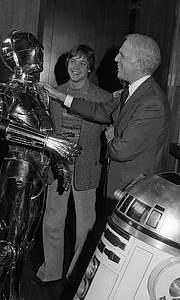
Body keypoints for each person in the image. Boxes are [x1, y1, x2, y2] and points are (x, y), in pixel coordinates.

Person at [40, 33, 171, 218]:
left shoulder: (152, 102)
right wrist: (60, 96)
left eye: (122, 55)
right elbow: (98, 110)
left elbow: (121, 150)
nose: (116, 59)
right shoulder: (131, 91)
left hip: (134, 189)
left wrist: (110, 137)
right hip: (120, 185)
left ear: (139, 64)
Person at [0, 30, 80, 300]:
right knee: (7, 244)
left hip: (38, 172)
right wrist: (47, 142)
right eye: (30, 49)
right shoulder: (6, 90)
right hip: (18, 169)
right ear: (12, 56)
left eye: (39, 49)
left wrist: (61, 163)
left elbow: (50, 131)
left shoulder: (40, 93)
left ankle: (12, 293)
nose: (37, 55)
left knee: (24, 242)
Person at [34, 44, 112, 286]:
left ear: (90, 68)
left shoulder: (103, 98)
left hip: (86, 170)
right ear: (66, 65)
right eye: (72, 62)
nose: (76, 68)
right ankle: (51, 272)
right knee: (53, 222)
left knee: (85, 228)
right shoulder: (53, 93)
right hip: (58, 169)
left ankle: (76, 275)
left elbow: (110, 131)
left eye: (82, 63)